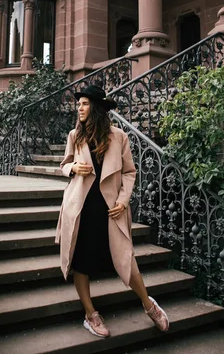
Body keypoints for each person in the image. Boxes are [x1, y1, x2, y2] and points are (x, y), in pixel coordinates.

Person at [55, 84, 169, 338]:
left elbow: (129, 172)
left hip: (111, 208)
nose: (79, 108)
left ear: (95, 107)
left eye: (84, 103)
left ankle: (149, 306)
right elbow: (63, 165)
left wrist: (123, 199)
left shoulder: (118, 137)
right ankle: (90, 314)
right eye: (79, 104)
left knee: (126, 259)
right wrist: (73, 167)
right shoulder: (75, 135)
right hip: (80, 207)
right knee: (81, 261)